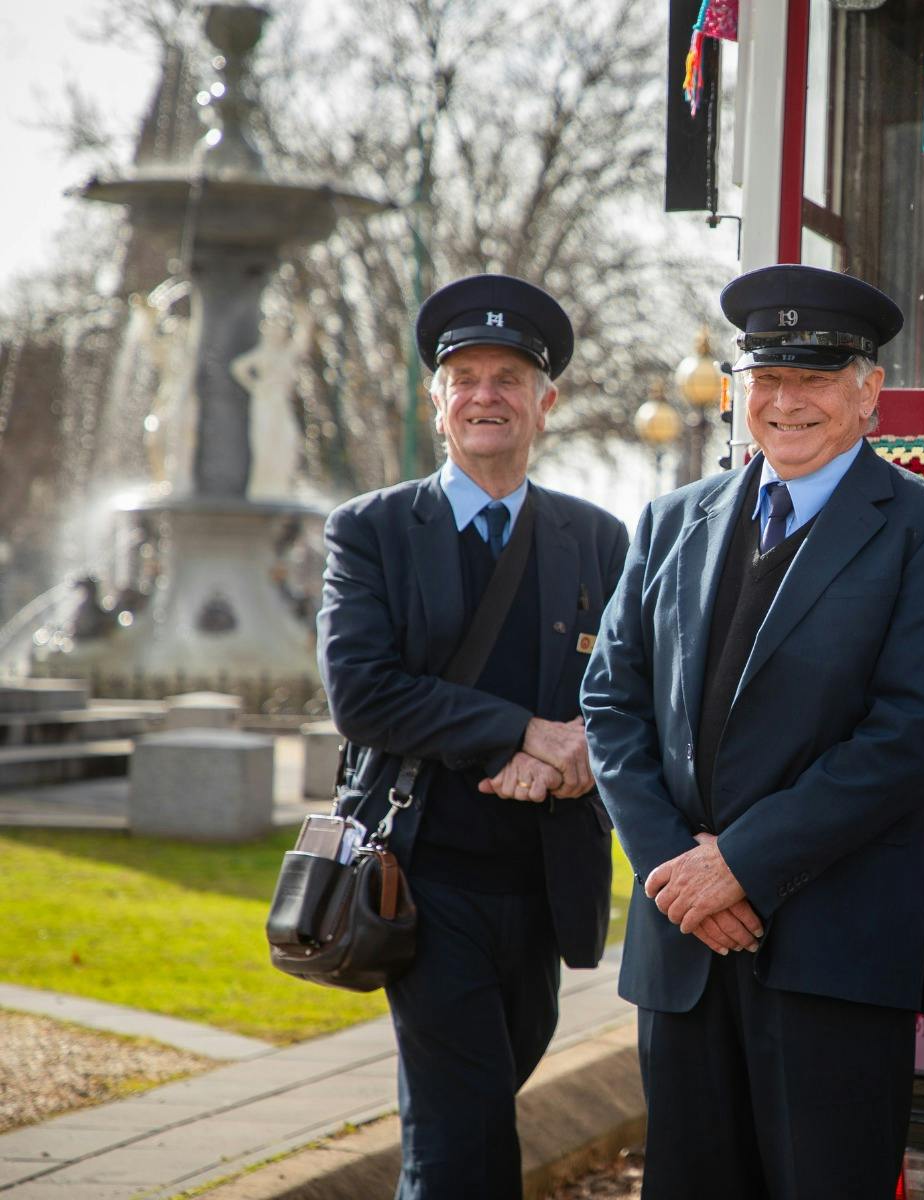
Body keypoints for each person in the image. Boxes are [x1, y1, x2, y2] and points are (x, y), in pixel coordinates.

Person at [581, 264, 924, 1199]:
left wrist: (742, 865)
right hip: (682, 948)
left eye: (813, 377)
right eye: (767, 377)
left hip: (832, 959)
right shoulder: (668, 523)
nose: (786, 401)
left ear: (868, 393)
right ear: (739, 391)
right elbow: (611, 702)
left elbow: (909, 736)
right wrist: (672, 873)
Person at [317, 273, 628, 1198]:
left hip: (544, 882)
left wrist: (576, 765)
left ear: (546, 402)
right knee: (462, 1140)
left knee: (484, 1096)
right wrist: (520, 736)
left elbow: (628, 697)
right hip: (422, 877)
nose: (486, 394)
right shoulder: (370, 532)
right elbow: (362, 694)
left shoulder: (600, 539)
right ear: (438, 401)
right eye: (466, 378)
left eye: (508, 378)